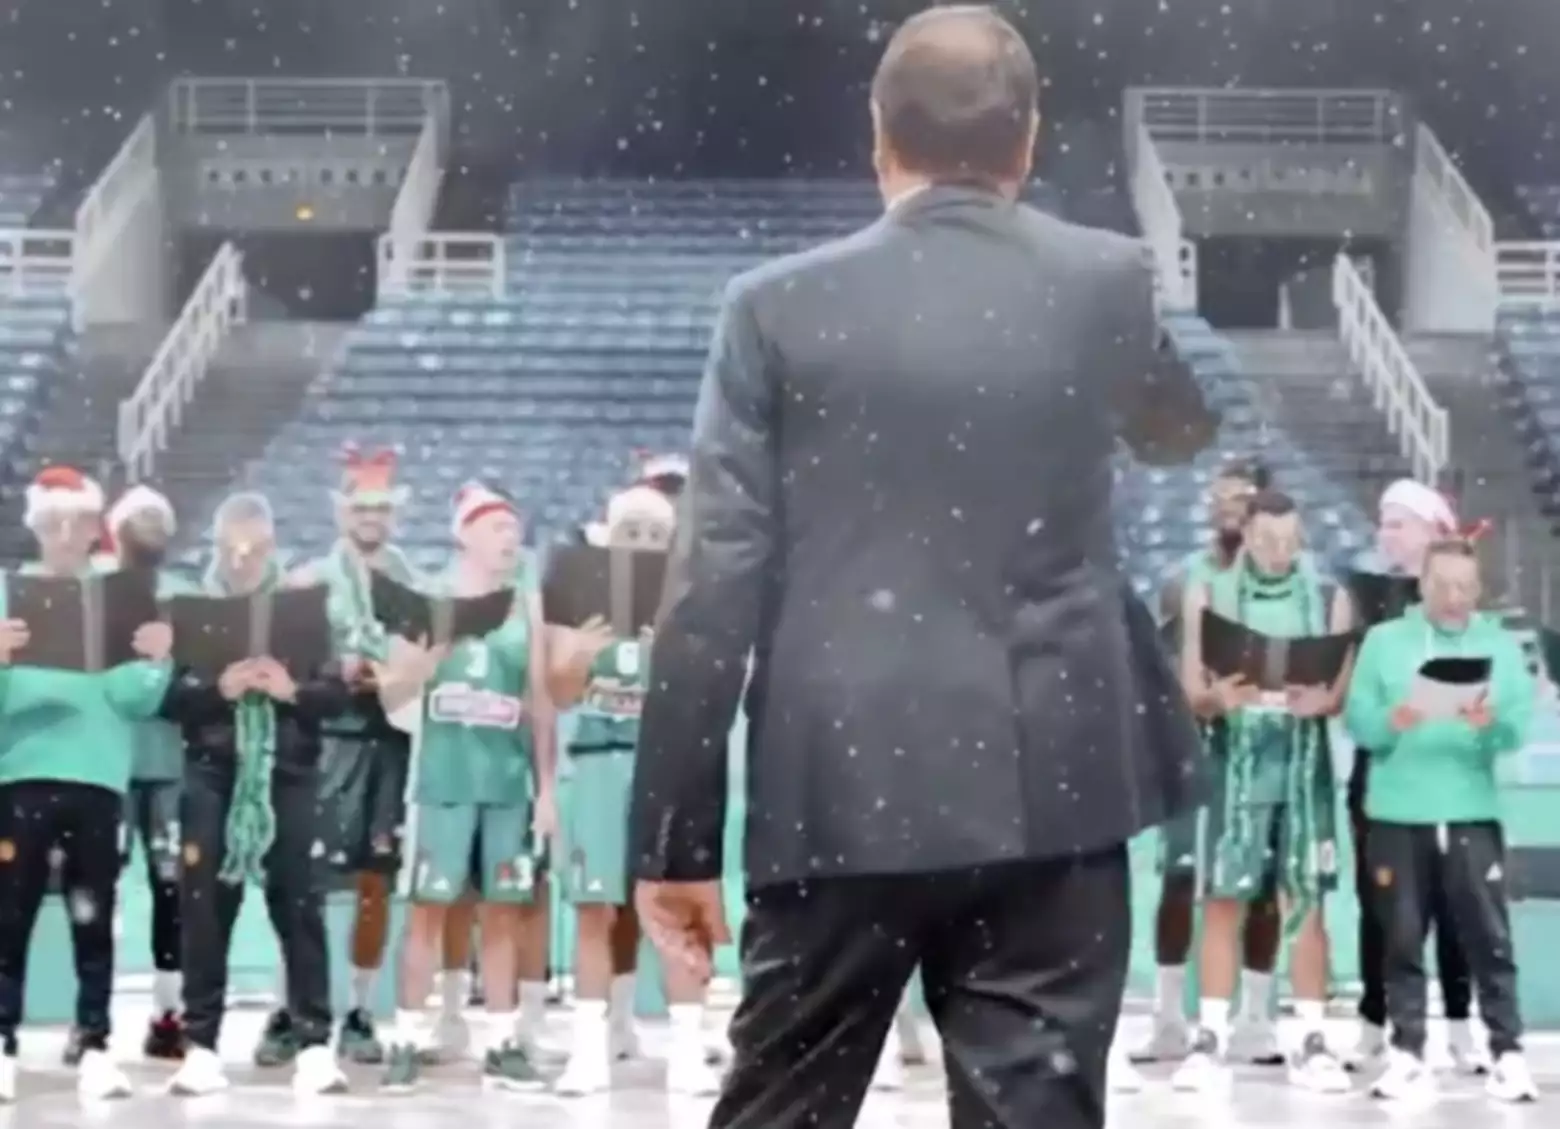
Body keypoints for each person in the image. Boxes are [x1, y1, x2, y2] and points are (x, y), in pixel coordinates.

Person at [627, 8, 1216, 1128]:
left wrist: (675, 838)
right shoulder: (1106, 279)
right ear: (1027, 139)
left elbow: (710, 591)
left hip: (841, 783)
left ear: (878, 137)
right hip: (1054, 784)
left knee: (781, 1109)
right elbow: (1179, 431)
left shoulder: (773, 307)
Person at [162, 492, 351, 1097]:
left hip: (288, 770)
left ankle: (315, 1044)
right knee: (204, 910)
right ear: (216, 546)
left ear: (272, 546)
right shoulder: (189, 609)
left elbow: (336, 697)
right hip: (211, 771)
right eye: (232, 547)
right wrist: (218, 688)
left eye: (255, 547)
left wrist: (291, 690)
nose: (243, 558)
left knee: (300, 906)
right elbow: (168, 699)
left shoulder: (306, 610)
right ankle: (200, 1045)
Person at [375, 483, 558, 1092]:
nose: (511, 538)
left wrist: (547, 790)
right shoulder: (427, 602)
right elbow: (391, 692)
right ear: (467, 535)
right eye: (499, 528)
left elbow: (540, 704)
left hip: (506, 786)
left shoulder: (526, 608)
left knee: (503, 912)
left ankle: (501, 1042)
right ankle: (406, 1037)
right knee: (427, 910)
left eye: (515, 529)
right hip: (442, 783)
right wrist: (433, 656)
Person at [0, 467, 175, 1103]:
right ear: (36, 527)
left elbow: (134, 698)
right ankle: (3, 1042)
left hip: (97, 776)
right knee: (9, 915)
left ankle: (96, 1043)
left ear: (92, 528)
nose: (64, 534)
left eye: (75, 522)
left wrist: (156, 660)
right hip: (21, 776)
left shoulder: (116, 597)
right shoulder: (7, 595)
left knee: (94, 915)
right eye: (52, 523)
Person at [1345, 538, 1538, 1104]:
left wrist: (1489, 723)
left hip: (1471, 813)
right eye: (1444, 585)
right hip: (1397, 815)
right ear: (1423, 585)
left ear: (1478, 590)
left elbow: (1516, 727)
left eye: (1465, 587)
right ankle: (1407, 1054)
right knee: (1401, 940)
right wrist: (1394, 719)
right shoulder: (1384, 642)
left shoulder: (1497, 646)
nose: (1455, 597)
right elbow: (1359, 722)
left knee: (1489, 940)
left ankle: (1508, 1053)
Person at [1171, 490, 1352, 1094]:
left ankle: (1313, 1039)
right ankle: (1209, 1038)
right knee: (1223, 902)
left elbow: (1339, 695)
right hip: (1232, 771)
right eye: (1269, 540)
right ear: (1246, 536)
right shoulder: (1207, 594)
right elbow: (1191, 694)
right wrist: (1217, 699)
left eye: (1291, 540)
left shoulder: (1329, 597)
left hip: (1303, 771)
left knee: (1307, 902)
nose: (1280, 551)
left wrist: (1323, 700)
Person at [548, 484, 722, 1097]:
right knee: (596, 908)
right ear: (610, 538)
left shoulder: (692, 606)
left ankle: (687, 1050)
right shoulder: (581, 604)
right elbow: (559, 693)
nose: (642, 544)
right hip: (600, 764)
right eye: (631, 533)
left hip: (669, 769)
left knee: (676, 909)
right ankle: (588, 1050)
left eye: (654, 535)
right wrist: (576, 657)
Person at [1128, 460, 1283, 1080]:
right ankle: (1168, 1018)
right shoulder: (1182, 584)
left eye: (1238, 497)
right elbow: (1156, 669)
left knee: (1262, 882)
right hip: (1197, 751)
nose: (1225, 508)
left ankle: (1255, 1019)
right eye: (1217, 497)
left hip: (1263, 750)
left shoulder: (1289, 586)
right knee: (1180, 879)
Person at [276, 443, 423, 1066]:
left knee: (374, 882)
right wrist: (337, 668)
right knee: (303, 881)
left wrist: (392, 672)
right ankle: (294, 1008)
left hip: (389, 737)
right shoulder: (308, 582)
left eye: (381, 508)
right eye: (361, 507)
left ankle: (360, 1009)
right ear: (341, 512)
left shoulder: (413, 584)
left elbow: (424, 658)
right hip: (326, 739)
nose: (371, 517)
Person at [1345, 478, 1481, 1073]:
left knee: (1455, 901)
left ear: (1432, 531)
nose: (1386, 534)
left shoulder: (1461, 603)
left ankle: (1460, 1025)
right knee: (1380, 902)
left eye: (1398, 522)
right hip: (1382, 772)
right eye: (1383, 522)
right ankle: (1376, 1023)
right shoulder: (1366, 598)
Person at [104, 485, 192, 1060]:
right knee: (98, 889)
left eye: (159, 520)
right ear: (117, 530)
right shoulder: (94, 594)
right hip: (107, 763)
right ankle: (92, 1018)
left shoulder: (184, 597)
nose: (150, 528)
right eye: (140, 520)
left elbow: (198, 678)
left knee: (171, 890)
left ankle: (169, 1013)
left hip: (167, 766)